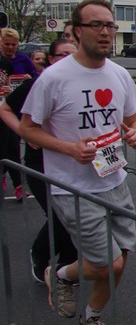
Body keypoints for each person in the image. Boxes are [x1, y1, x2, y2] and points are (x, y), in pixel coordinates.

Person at [20, 0, 136, 325]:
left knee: (121, 260)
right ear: (76, 32)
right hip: (72, 187)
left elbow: (134, 120)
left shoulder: (119, 74)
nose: (105, 31)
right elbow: (28, 129)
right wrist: (70, 149)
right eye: (96, 25)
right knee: (109, 264)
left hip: (115, 179)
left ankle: (90, 318)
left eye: (109, 25)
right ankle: (59, 273)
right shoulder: (54, 78)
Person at [0, 37, 79, 282]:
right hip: (42, 161)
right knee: (60, 215)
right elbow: (5, 109)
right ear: (51, 59)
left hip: (73, 161)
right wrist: (25, 132)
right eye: (63, 55)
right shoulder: (38, 84)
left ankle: (67, 267)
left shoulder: (83, 85)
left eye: (73, 54)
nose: (69, 60)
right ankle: (40, 254)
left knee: (76, 215)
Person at [1, 27, 38, 201]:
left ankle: (18, 184)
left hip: (15, 108)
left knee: (13, 146)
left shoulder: (21, 60)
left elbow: (34, 77)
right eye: (6, 44)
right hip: (4, 108)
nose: (10, 47)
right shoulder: (3, 61)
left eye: (13, 44)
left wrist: (27, 80)